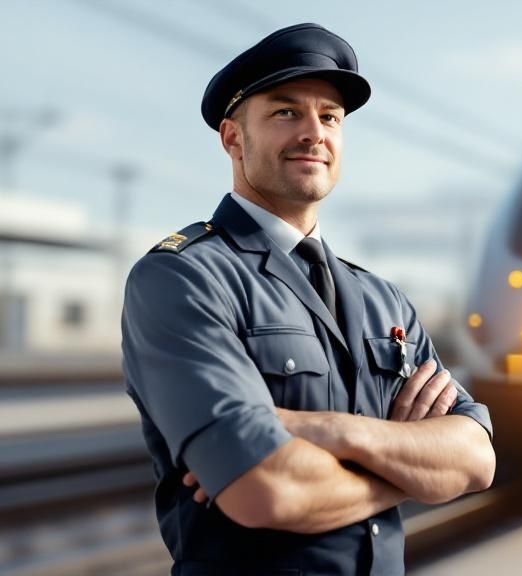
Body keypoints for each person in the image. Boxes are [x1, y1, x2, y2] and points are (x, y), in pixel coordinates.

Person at [121, 23, 495, 575]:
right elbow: (265, 489)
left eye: (330, 117)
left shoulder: (383, 299)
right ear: (232, 138)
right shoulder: (183, 278)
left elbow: (475, 460)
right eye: (285, 112)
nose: (314, 132)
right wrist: (410, 468)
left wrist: (327, 431)